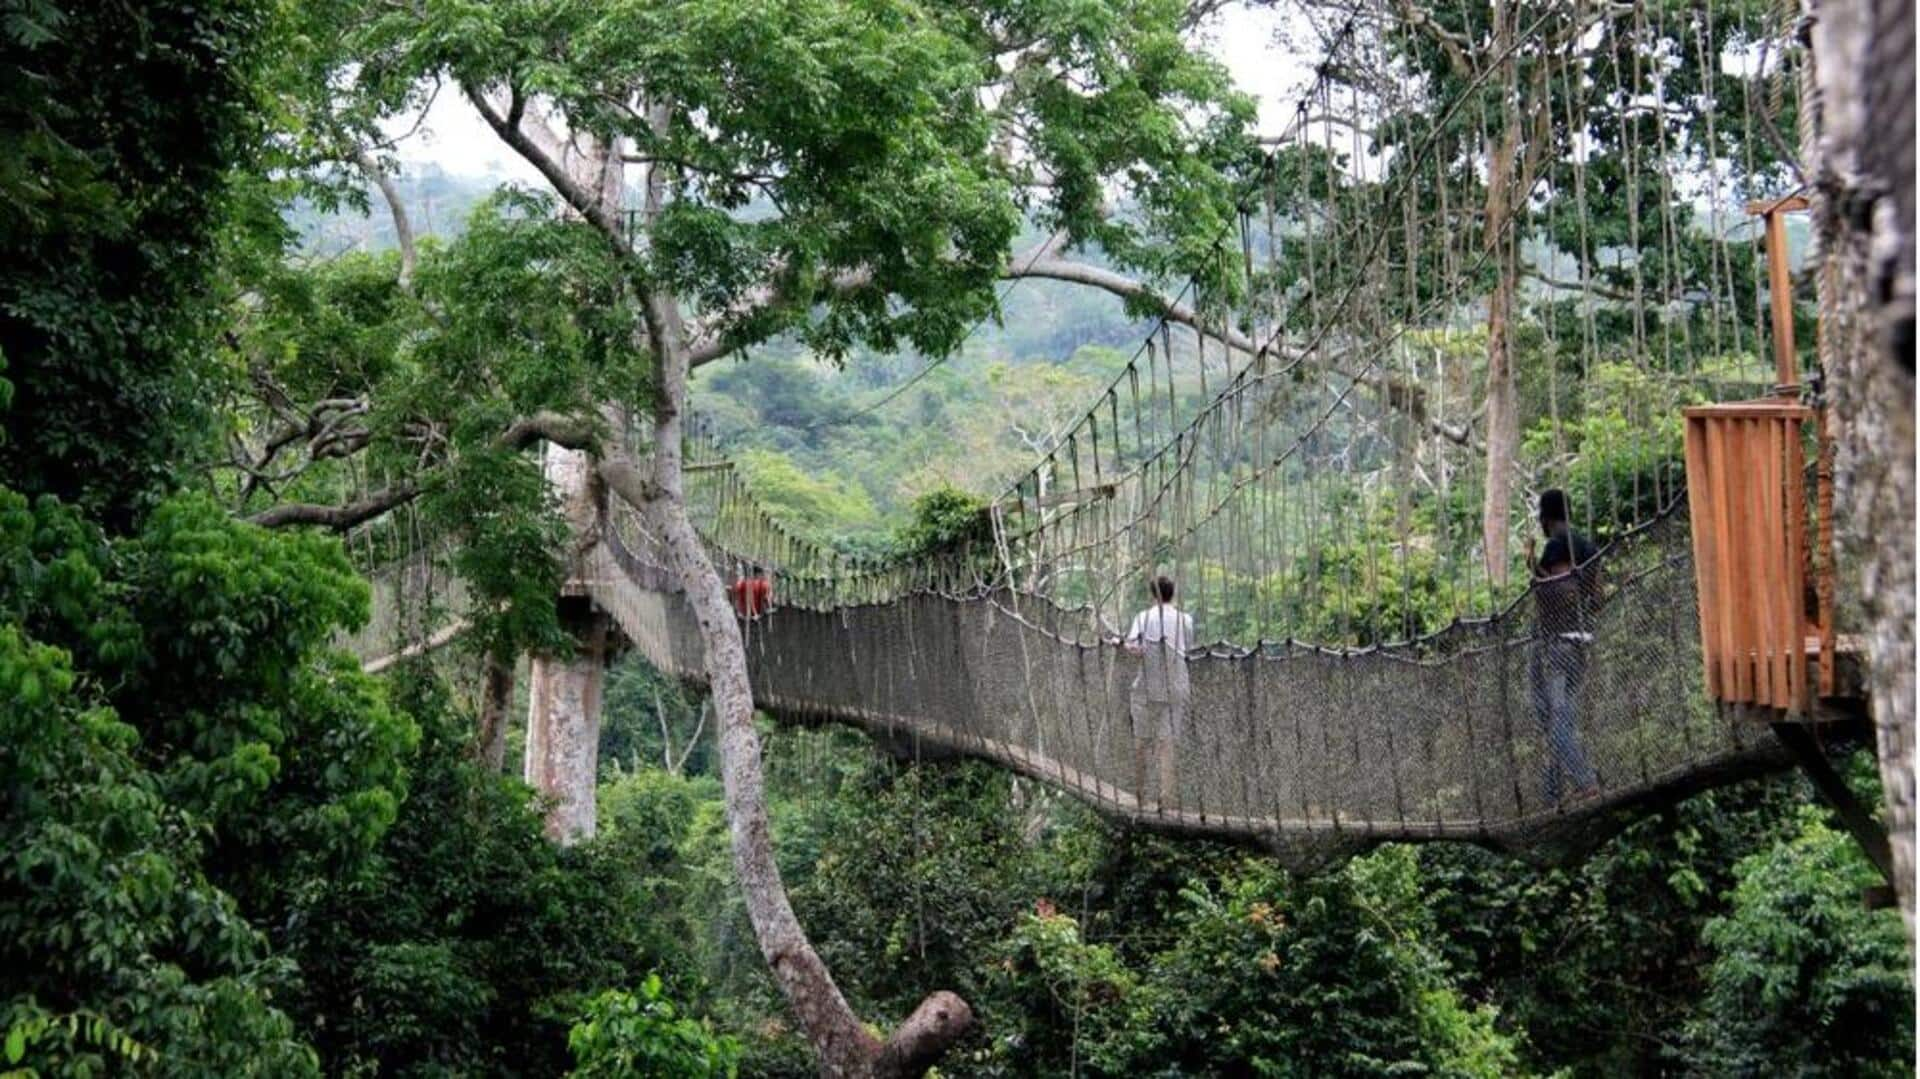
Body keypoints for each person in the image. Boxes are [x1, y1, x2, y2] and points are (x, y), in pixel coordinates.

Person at [1526, 489, 1600, 802]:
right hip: (1580, 644)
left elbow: (1562, 591)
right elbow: (1596, 599)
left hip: (1556, 646)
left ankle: (1585, 783)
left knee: (1551, 717)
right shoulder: (1589, 547)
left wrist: (1533, 566)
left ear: (1546, 517)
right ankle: (1553, 794)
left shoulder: (1558, 543)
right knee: (1557, 718)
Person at [1123, 575, 1193, 810]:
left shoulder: (1143, 618)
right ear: (1173, 593)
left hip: (1146, 687)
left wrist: (1134, 647)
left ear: (1153, 595)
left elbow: (1132, 647)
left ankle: (1140, 794)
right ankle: (1167, 797)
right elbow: (1187, 649)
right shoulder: (1186, 620)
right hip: (1176, 686)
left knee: (1141, 740)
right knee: (1168, 744)